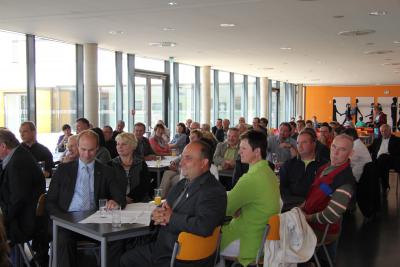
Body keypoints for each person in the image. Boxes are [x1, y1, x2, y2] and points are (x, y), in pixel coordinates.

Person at [120, 141, 227, 267]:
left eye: (188, 158)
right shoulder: (183, 184)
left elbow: (204, 226)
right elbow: (166, 207)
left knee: (126, 259)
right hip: (167, 246)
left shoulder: (213, 190)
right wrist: (158, 213)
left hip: (182, 256)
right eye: (182, 157)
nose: (181, 163)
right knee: (125, 249)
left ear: (204, 163)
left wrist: (170, 217)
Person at [47, 130, 126, 267]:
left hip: (95, 221)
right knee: (63, 240)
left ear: (97, 148)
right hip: (67, 219)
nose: (86, 154)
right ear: (77, 147)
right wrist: (62, 219)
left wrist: (115, 201)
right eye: (83, 149)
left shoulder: (106, 171)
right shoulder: (63, 170)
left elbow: (120, 196)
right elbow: (50, 201)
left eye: (91, 150)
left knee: (117, 239)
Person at [219, 130, 280, 266]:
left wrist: (235, 210)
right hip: (264, 239)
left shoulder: (251, 178)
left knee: (207, 241)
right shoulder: (268, 172)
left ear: (257, 151)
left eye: (243, 148)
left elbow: (224, 209)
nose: (239, 152)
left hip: (248, 241)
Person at [302, 134, 356, 262]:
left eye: (342, 149)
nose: (335, 153)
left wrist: (307, 217)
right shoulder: (325, 168)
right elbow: (320, 191)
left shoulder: (345, 182)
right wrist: (303, 205)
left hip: (322, 229)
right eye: (334, 147)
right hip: (310, 221)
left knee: (284, 238)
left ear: (351, 153)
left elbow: (330, 216)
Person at [0, 129, 45, 244]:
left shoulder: (18, 162)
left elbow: (17, 199)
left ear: (3, 146)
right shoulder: (19, 154)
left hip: (22, 221)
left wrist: (3, 220)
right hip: (21, 215)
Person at [280, 131, 328, 211]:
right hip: (292, 209)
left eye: (304, 142)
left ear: (314, 144)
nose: (300, 146)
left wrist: (310, 203)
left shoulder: (324, 165)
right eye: (298, 143)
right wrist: (300, 203)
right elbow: (283, 189)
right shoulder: (288, 164)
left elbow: (326, 189)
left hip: (316, 209)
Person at [109, 132, 150, 204]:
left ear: (132, 146)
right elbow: (109, 186)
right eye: (118, 144)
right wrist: (121, 199)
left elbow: (144, 185)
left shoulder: (141, 163)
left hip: (138, 202)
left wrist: (130, 197)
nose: (120, 147)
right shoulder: (110, 164)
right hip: (117, 203)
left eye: (124, 144)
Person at [368, 124, 400, 195]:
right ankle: (383, 185)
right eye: (382, 131)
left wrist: (386, 155)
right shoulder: (377, 140)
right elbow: (369, 149)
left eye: (385, 131)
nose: (383, 133)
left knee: (383, 158)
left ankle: (382, 185)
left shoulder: (397, 140)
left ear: (390, 131)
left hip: (391, 160)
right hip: (378, 162)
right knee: (370, 165)